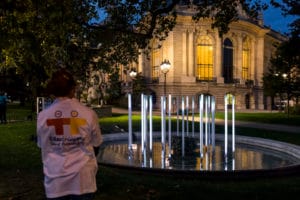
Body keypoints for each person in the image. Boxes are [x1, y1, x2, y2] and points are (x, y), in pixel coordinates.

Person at [37, 68, 103, 200]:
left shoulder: (43, 116)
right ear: (73, 88)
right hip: (83, 180)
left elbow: (43, 145)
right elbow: (96, 144)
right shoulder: (88, 113)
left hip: (55, 180)